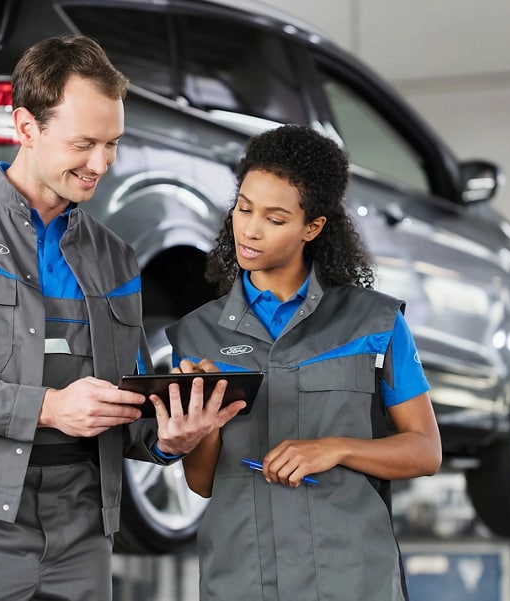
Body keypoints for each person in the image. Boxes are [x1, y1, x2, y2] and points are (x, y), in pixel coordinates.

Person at [0, 35, 243, 601]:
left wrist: (171, 436)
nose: (101, 164)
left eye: (112, 144)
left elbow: (131, 411)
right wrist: (47, 407)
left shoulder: (115, 256)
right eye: (84, 143)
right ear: (26, 127)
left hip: (85, 530)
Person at [167, 124, 443, 601]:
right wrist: (203, 426)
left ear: (311, 228)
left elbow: (425, 451)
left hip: (352, 582)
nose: (250, 229)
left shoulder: (373, 323)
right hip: (243, 582)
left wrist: (335, 449)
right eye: (244, 208)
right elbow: (202, 482)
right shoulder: (197, 334)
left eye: (274, 219)